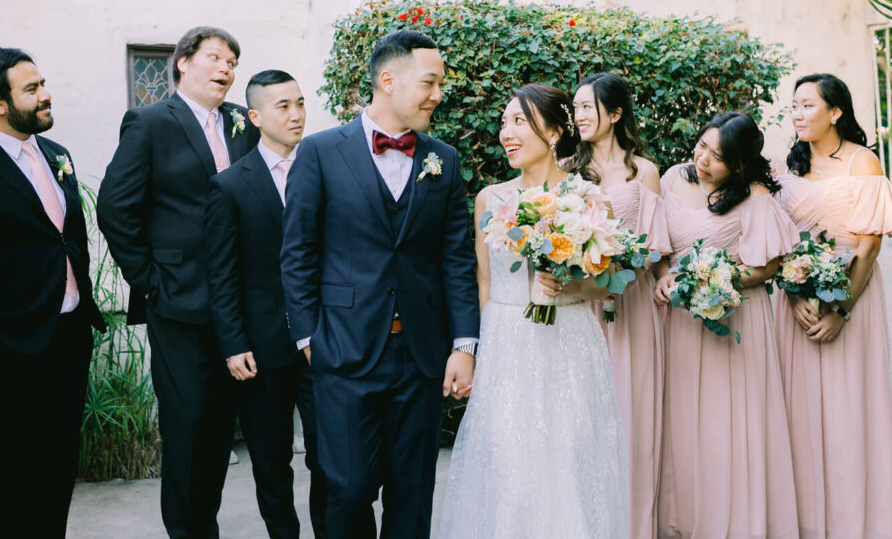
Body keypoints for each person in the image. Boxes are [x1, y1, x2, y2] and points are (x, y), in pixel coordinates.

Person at [281, 29, 480, 539]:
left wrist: (463, 344)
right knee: (345, 488)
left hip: (419, 355)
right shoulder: (321, 152)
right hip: (343, 350)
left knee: (413, 492)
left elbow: (456, 258)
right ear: (388, 81)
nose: (438, 94)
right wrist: (308, 338)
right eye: (430, 82)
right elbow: (298, 252)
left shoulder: (445, 159)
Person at [440, 83, 628, 539]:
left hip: (568, 339)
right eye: (504, 122)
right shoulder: (490, 198)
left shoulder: (586, 197)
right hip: (507, 340)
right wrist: (476, 352)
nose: (506, 132)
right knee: (507, 461)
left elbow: (610, 282)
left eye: (519, 121)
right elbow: (484, 283)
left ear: (556, 131)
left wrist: (572, 282)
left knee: (566, 457)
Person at [97, 27, 258, 539]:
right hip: (178, 303)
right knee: (186, 429)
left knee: (218, 431)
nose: (226, 69)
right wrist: (150, 280)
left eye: (232, 62)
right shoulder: (149, 122)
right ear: (183, 63)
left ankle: (203, 527)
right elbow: (114, 208)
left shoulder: (241, 125)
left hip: (235, 306)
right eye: (215, 57)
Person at [205, 70, 373, 539]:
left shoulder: (330, 168)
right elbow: (222, 274)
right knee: (271, 460)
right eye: (283, 106)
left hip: (325, 340)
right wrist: (233, 343)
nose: (297, 114)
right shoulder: (229, 185)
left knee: (331, 456)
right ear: (256, 116)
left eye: (300, 103)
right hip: (261, 347)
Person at [0, 48, 104, 538]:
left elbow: (69, 238)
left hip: (68, 336)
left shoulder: (56, 154)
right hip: (10, 346)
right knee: (15, 476)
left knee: (59, 469)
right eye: (32, 89)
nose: (46, 96)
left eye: (43, 84)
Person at [653, 112, 800, 539]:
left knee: (727, 426)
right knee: (680, 422)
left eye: (718, 157)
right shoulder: (672, 180)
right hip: (677, 322)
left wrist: (717, 278)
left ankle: (733, 522)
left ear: (738, 165)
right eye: (702, 146)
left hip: (734, 321)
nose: (703, 159)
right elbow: (658, 243)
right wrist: (666, 274)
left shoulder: (753, 197)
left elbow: (768, 265)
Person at [776, 73, 892, 539]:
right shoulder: (788, 167)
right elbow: (781, 245)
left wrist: (840, 310)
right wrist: (792, 295)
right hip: (797, 304)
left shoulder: (862, 163)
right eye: (793, 106)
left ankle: (856, 524)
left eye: (807, 105)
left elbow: (868, 248)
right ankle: (810, 524)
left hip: (852, 296)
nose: (797, 114)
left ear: (835, 111)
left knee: (848, 413)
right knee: (799, 414)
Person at [568, 72, 671, 539]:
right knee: (586, 420)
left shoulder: (643, 171)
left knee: (634, 420)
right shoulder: (570, 170)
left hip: (632, 308)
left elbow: (657, 247)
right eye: (575, 108)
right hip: (585, 309)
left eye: (588, 107)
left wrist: (630, 269)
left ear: (614, 113)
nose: (579, 116)